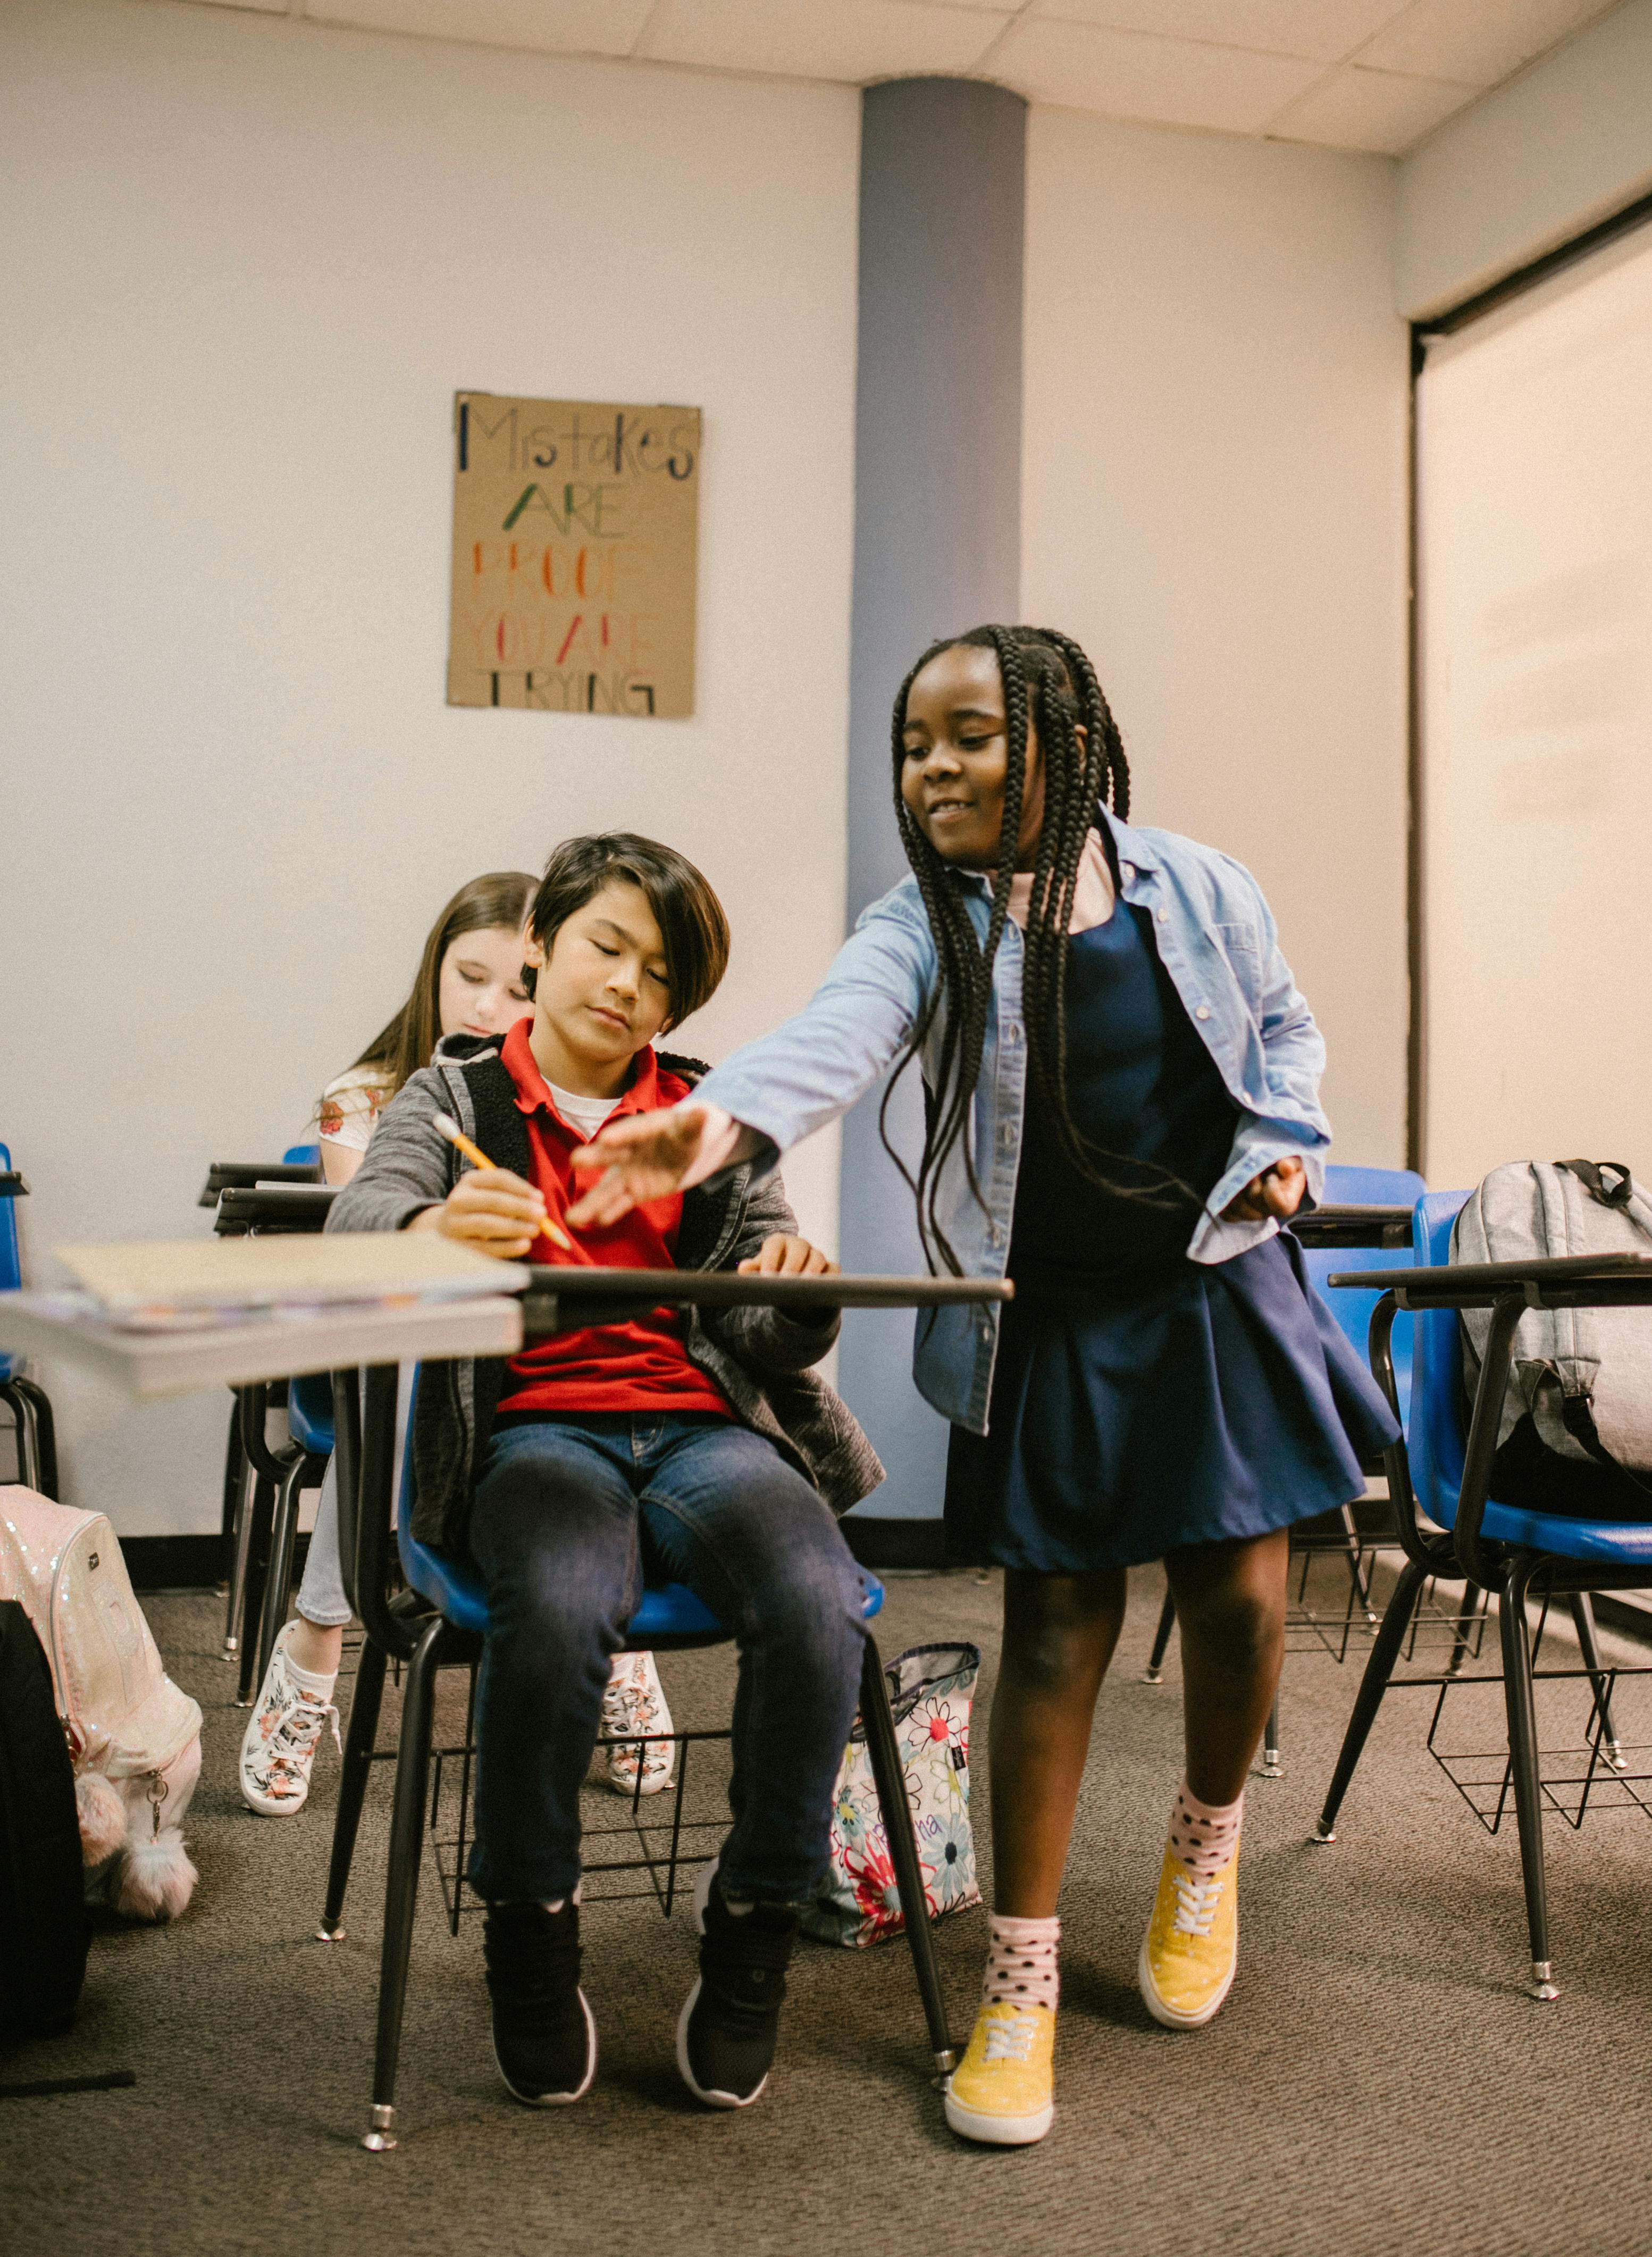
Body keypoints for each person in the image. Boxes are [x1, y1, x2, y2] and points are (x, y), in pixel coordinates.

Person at [567, 627, 1395, 2149]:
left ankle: (1200, 1857)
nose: (930, 768)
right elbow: (837, 1036)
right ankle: (1020, 1986)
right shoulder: (923, 925)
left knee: (1242, 1601)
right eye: (911, 744)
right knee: (1057, 1627)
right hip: (1058, 1318)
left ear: (1063, 739)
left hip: (1212, 1285)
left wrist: (1286, 1134)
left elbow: (1283, 1027)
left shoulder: (1199, 884)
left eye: (967, 737)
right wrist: (718, 1125)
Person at [328, 832, 884, 2113]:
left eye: (660, 971)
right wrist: (427, 1222)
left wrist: (786, 1293)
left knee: (821, 1603)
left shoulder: (710, 1114)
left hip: (703, 1430)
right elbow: (361, 1218)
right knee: (564, 1598)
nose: (628, 983)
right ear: (542, 945)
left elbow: (760, 1308)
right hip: (535, 1435)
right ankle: (531, 1920)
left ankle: (750, 1930)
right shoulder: (454, 1099)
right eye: (605, 945)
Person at [239, 869, 675, 1816]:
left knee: (629, 1372)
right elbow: (372, 1245)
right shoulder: (378, 1095)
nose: (489, 1003)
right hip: (398, 1347)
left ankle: (621, 1638)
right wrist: (444, 1223)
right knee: (412, 1358)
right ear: (432, 972)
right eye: (466, 975)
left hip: (540, 1362)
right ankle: (319, 1626)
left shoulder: (595, 1091)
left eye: (514, 986)